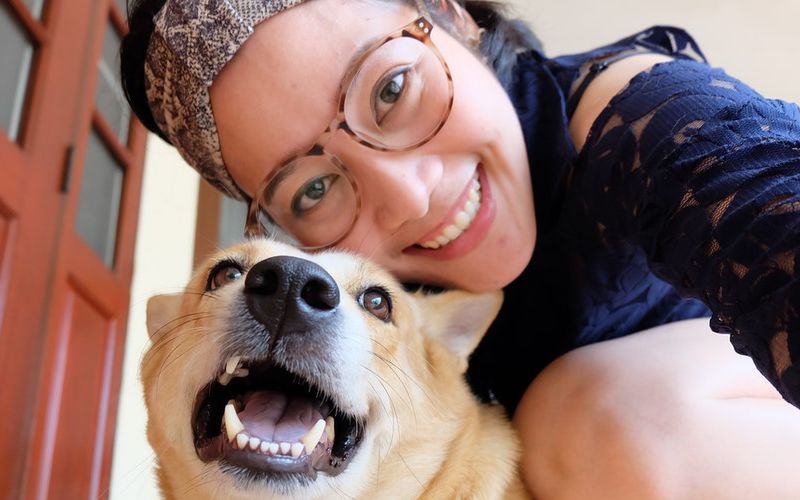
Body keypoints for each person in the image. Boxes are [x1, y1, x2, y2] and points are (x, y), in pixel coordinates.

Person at [121, 0, 800, 496]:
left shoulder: (650, 125)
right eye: (311, 187)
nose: (411, 196)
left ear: (453, 16)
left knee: (594, 415)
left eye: (391, 89)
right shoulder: (367, 319)